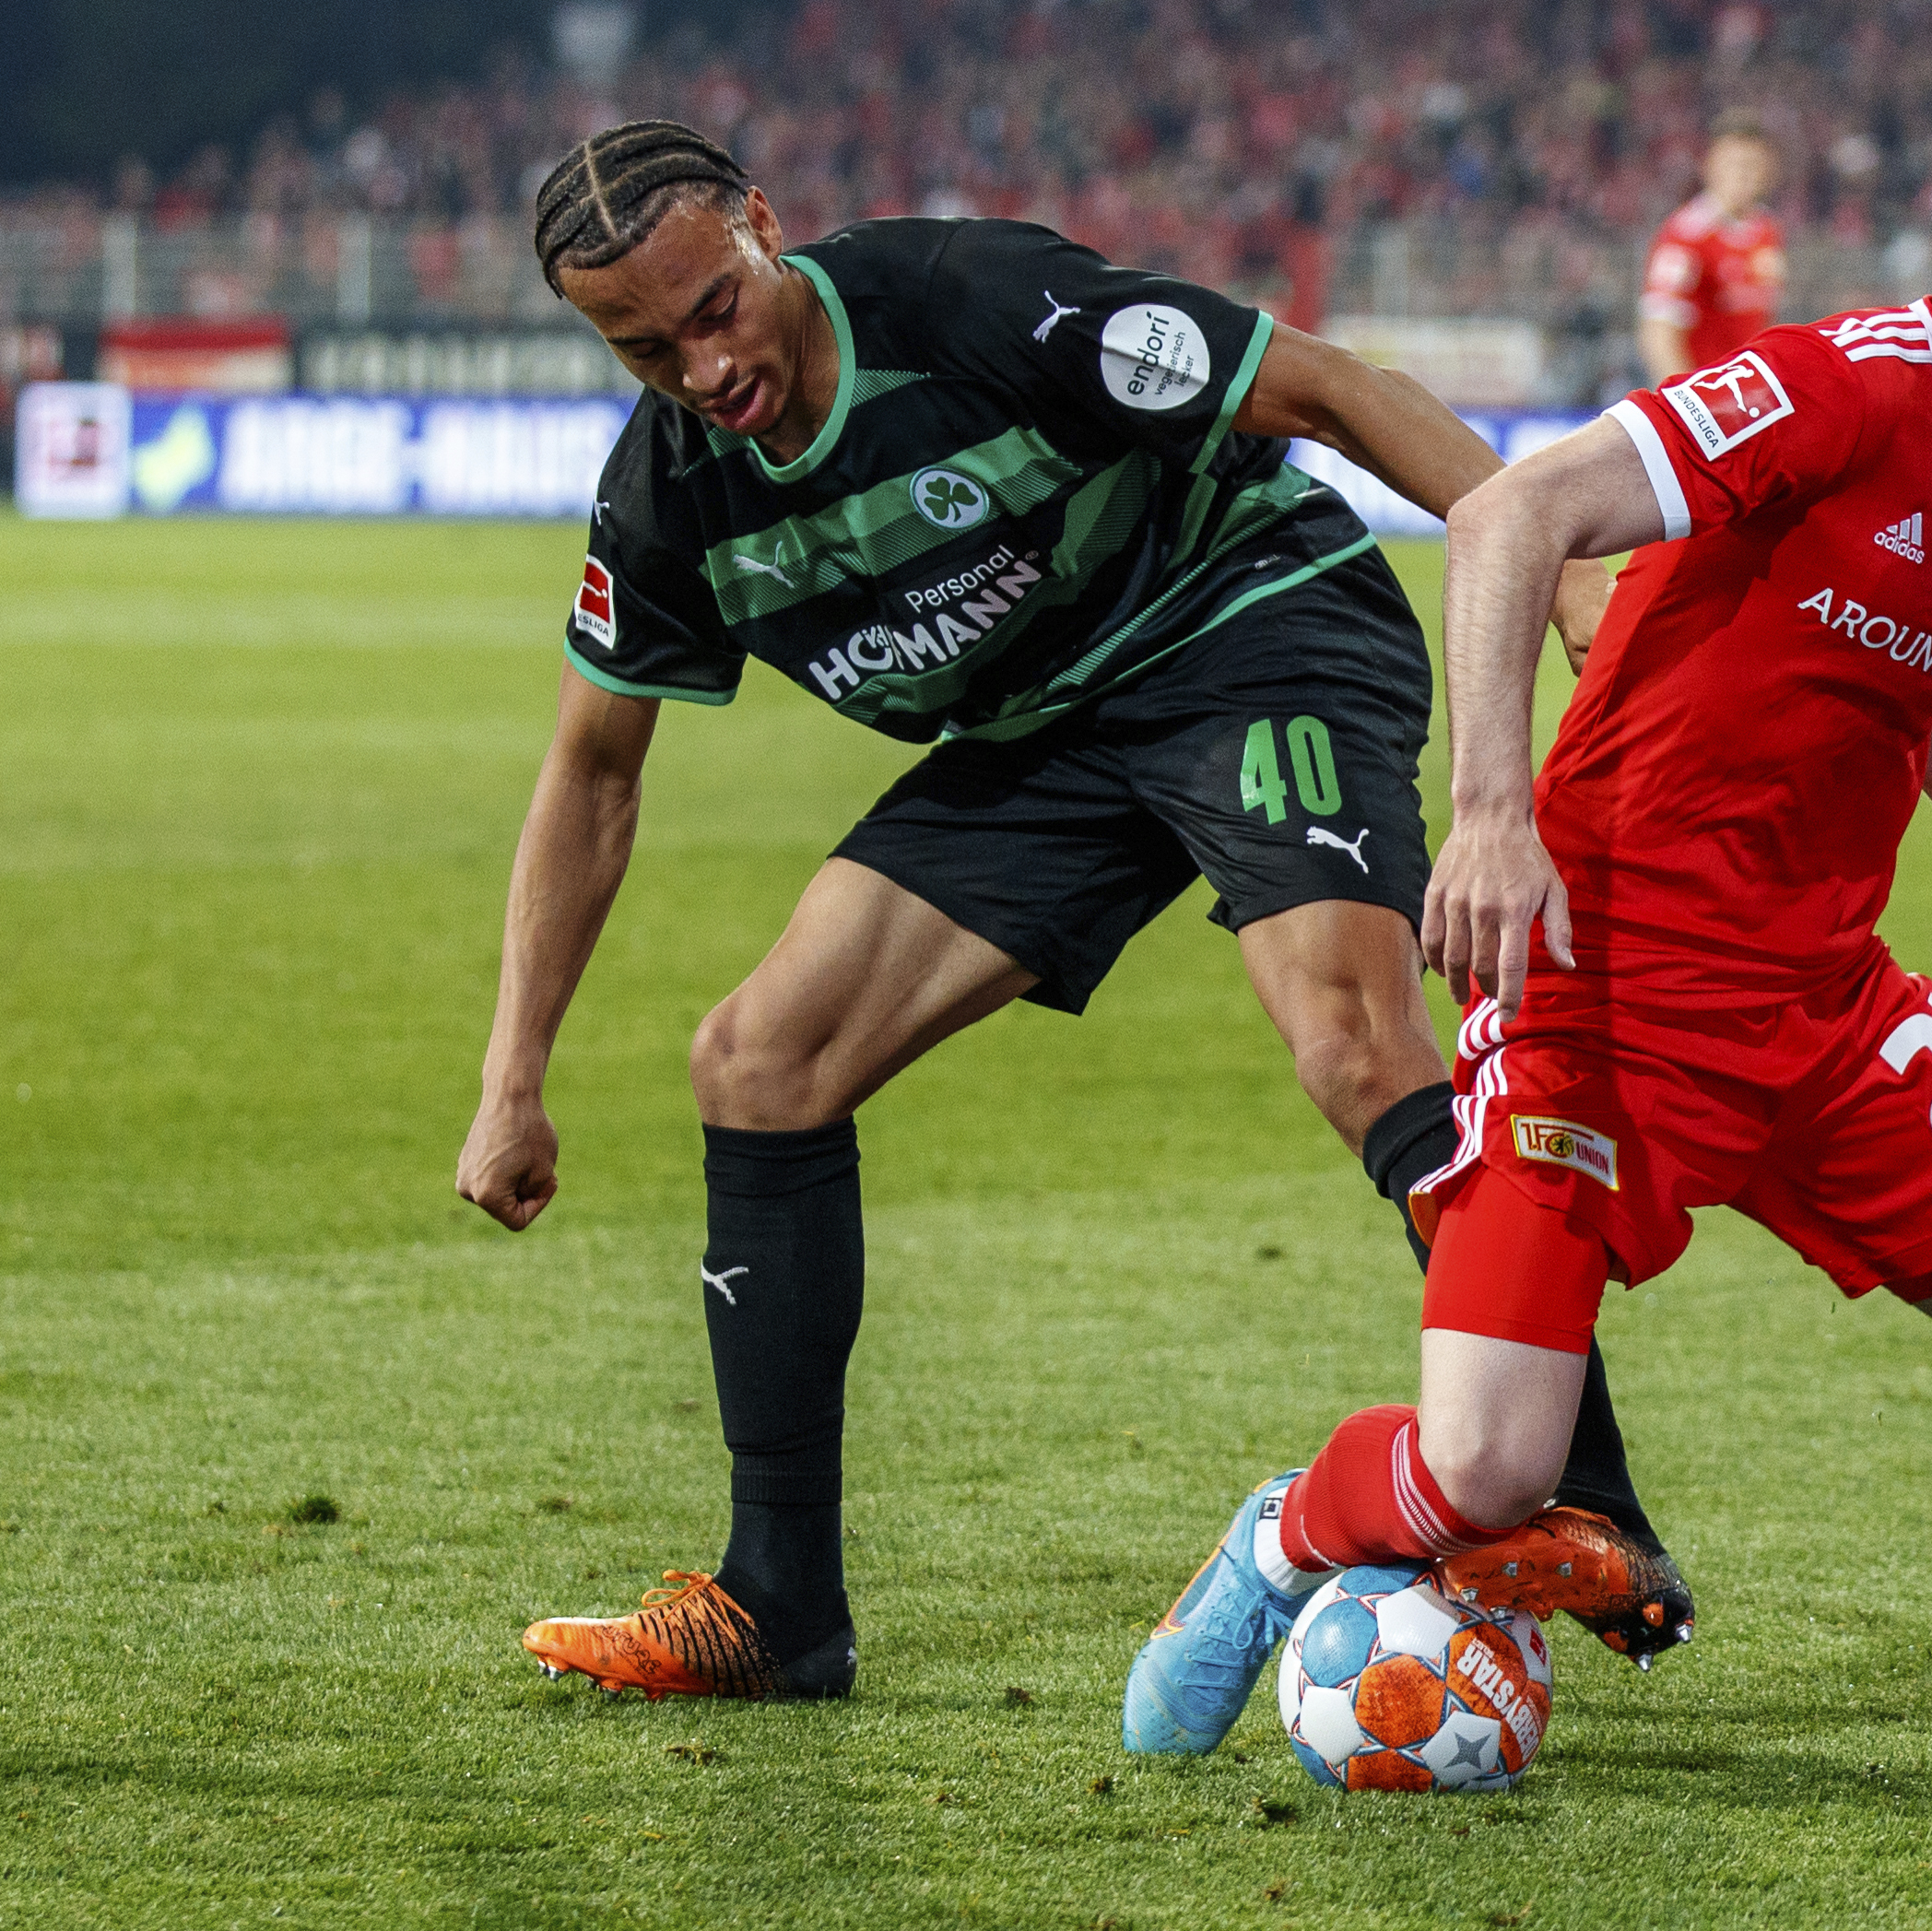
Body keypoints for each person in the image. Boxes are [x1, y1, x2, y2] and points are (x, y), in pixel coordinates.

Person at [1126, 77, 1932, 1761]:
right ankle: (1279, 1541)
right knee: (1484, 1471)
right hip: (1594, 993)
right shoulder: (1829, 392)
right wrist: (1486, 811)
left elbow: (1923, 662)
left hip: (1822, 1014)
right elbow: (1517, 511)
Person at [457, 120, 1688, 1704]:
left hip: (1246, 621)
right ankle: (778, 1609)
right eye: (643, 347)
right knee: (759, 1062)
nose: (701, 368)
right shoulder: (671, 499)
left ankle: (1587, 1503)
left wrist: (1558, 566)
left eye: (715, 310)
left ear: (765, 226)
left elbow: (1320, 384)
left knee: (1350, 1041)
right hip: (1044, 733)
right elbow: (591, 773)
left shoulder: (966, 298)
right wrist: (511, 1079)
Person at [1637, 113, 1787, 384]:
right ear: (1710, 166)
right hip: (1705, 400)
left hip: (1748, 396)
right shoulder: (1684, 236)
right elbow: (1658, 333)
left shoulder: (1767, 230)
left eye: (1752, 165)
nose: (1743, 174)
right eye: (1733, 164)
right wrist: (1688, 404)